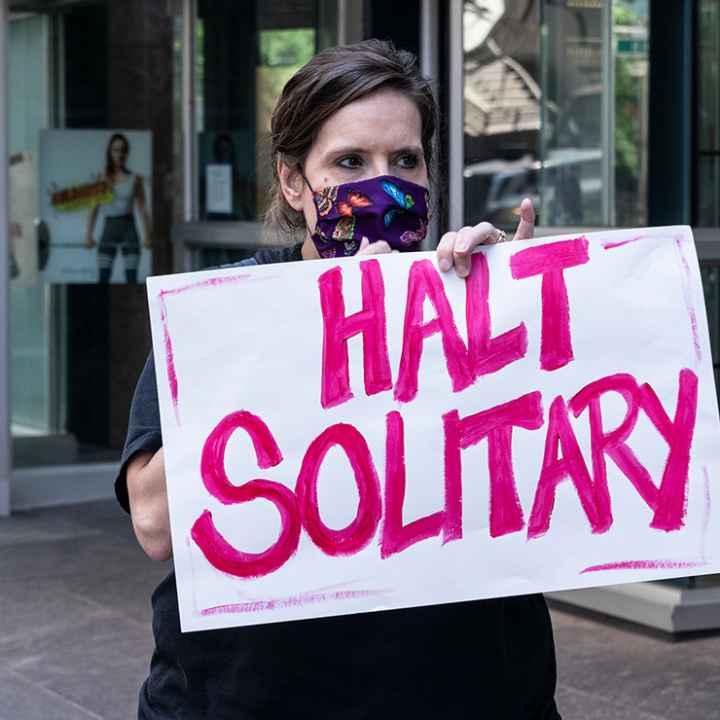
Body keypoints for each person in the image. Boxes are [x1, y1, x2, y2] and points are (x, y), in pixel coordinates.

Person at [117, 40, 560, 719]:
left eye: (404, 160)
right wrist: (312, 330)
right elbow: (155, 522)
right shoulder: (224, 310)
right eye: (349, 162)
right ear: (295, 182)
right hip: (254, 697)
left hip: (465, 690)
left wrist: (518, 310)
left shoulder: (471, 296)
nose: (383, 182)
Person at [85, 133, 152, 284]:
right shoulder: (101, 179)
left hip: (129, 229)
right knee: (103, 277)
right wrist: (88, 235)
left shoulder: (135, 179)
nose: (119, 154)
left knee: (131, 278)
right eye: (116, 150)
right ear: (110, 152)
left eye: (122, 150)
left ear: (127, 153)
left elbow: (143, 209)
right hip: (109, 228)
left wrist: (148, 235)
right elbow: (93, 209)